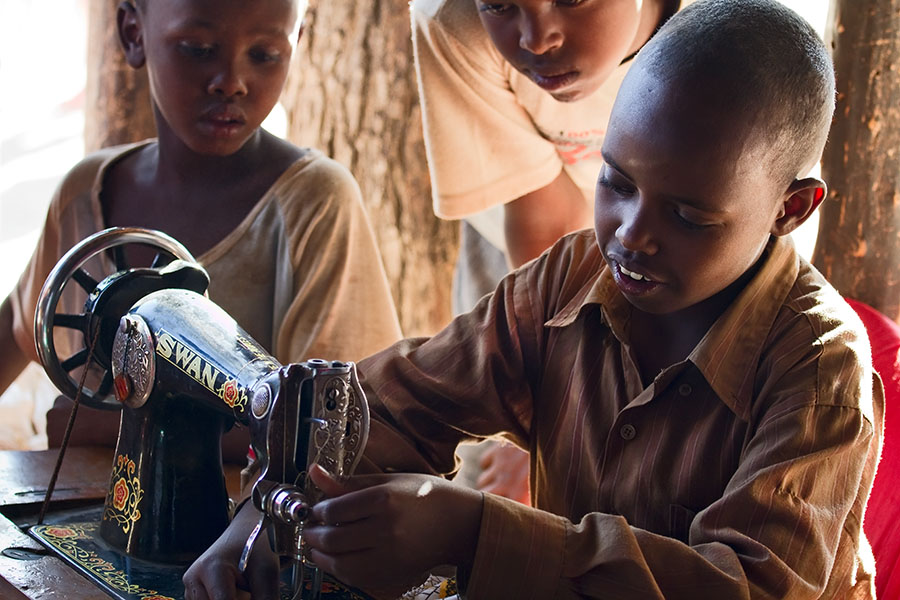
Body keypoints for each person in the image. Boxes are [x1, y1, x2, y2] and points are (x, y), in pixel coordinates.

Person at [183, 1, 883, 598]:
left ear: (790, 208)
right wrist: (263, 514)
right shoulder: (572, 281)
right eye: (615, 182)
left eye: (689, 217)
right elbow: (394, 406)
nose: (632, 236)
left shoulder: (818, 374)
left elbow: (746, 588)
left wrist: (472, 531)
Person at [0, 0, 402, 459]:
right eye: (197, 49)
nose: (230, 81)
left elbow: (331, 427)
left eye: (265, 54)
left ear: (298, 42)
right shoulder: (85, 194)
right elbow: (21, 322)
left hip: (239, 527)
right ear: (133, 32)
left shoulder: (314, 204)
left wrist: (110, 425)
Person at [412, 0, 687, 502]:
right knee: (490, 470)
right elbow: (545, 223)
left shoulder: (728, 33)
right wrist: (531, 420)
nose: (537, 41)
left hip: (675, 249)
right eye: (500, 4)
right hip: (521, 240)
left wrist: (555, 427)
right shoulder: (454, 21)